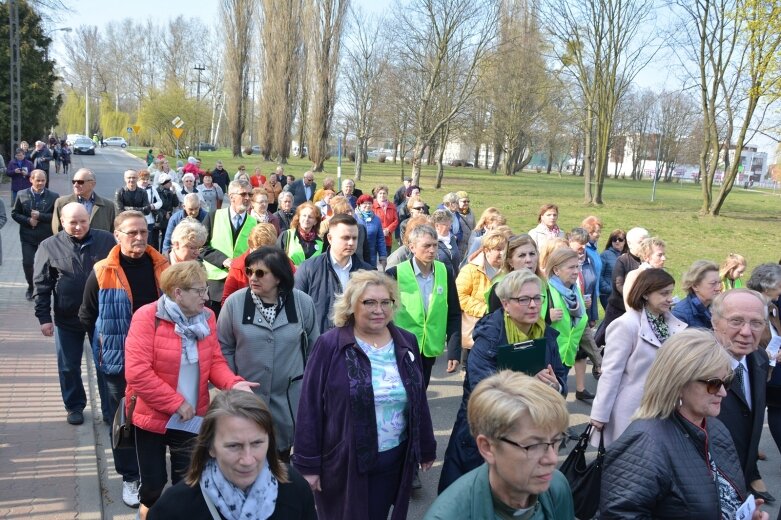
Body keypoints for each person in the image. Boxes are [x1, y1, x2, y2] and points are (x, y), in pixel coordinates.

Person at [293, 270, 436, 519]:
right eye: (369, 302)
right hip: (344, 460)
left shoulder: (406, 342)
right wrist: (308, 465)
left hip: (393, 459)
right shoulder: (330, 345)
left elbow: (417, 399)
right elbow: (310, 407)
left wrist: (425, 445)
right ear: (351, 305)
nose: (378, 309)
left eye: (385, 302)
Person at [124, 261, 258, 516]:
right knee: (153, 486)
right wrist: (176, 403)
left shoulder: (207, 318)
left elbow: (215, 361)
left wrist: (233, 383)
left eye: (206, 289)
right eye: (199, 291)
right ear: (177, 293)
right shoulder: (147, 317)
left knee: (188, 483)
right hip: (153, 418)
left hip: (192, 418)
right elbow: (137, 373)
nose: (206, 296)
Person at [600, 328, 769, 520]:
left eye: (727, 381)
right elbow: (619, 515)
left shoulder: (715, 428)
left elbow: (723, 492)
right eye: (714, 383)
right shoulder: (643, 444)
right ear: (678, 384)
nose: (723, 392)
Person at [438, 271, 568, 492]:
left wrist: (556, 387)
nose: (533, 305)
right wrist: (528, 385)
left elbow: (560, 375)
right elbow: (482, 387)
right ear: (506, 304)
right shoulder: (490, 335)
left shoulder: (546, 335)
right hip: (485, 430)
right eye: (524, 299)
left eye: (537, 298)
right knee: (474, 496)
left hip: (527, 433)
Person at [79, 210, 169, 508]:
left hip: (159, 358)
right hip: (117, 361)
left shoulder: (162, 266)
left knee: (155, 415)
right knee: (124, 420)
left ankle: (153, 473)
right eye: (132, 233)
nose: (140, 238)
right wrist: (105, 344)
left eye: (143, 232)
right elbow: (87, 315)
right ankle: (130, 476)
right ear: (117, 235)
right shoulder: (103, 270)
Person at [147, 390, 317, 520]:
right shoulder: (174, 508)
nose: (248, 460)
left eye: (257, 443)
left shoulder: (293, 487)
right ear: (210, 447)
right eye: (234, 446)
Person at [427, 371, 574, 519]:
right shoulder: (448, 515)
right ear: (487, 447)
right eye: (533, 445)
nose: (552, 459)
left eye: (555, 441)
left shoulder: (556, 486)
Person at [219, 247, 319, 459]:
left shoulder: (302, 303)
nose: (253, 278)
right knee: (246, 458)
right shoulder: (235, 303)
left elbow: (314, 348)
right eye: (249, 272)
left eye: (261, 273)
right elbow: (223, 348)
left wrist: (308, 386)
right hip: (245, 401)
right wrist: (233, 385)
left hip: (288, 403)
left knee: (280, 462)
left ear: (279, 277)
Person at [33, 203, 115, 424]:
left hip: (102, 318)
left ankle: (110, 410)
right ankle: (74, 405)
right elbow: (41, 285)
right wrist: (44, 318)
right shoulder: (49, 246)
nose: (79, 226)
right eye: (73, 222)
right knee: (68, 365)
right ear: (62, 221)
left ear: (89, 219)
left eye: (83, 221)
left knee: (106, 365)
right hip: (67, 318)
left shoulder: (107, 241)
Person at [590, 269, 687, 446]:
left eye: (671, 292)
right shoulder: (626, 325)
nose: (670, 298)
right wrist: (600, 414)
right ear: (645, 294)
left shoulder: (670, 324)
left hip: (663, 410)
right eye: (664, 293)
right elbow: (611, 373)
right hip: (630, 413)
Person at [711, 289, 773, 502]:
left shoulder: (759, 358)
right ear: (714, 322)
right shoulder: (694, 365)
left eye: (756, 323)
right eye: (736, 321)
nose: (747, 332)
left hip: (741, 486)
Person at [386, 225, 462, 386]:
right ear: (412, 247)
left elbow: (454, 313)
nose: (432, 250)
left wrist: (454, 351)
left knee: (421, 393)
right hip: (402, 347)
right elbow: (384, 315)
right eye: (426, 246)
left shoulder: (445, 271)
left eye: (435, 245)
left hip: (429, 347)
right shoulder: (395, 274)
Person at [294, 214, 374, 332]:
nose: (351, 243)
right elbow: (295, 308)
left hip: (356, 342)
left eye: (355, 238)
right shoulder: (309, 268)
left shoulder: (368, 272)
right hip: (319, 342)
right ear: (330, 238)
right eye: (345, 238)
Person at [201, 181, 258, 315]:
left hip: (243, 282)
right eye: (243, 194)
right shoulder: (214, 216)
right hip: (215, 283)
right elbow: (200, 247)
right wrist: (223, 260)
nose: (248, 198)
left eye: (250, 194)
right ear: (231, 197)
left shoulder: (255, 223)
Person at [544, 247, 589, 400]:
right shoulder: (546, 289)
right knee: (547, 399)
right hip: (547, 358)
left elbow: (581, 326)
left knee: (558, 397)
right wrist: (546, 317)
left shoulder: (575, 292)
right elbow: (528, 322)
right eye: (571, 267)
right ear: (556, 270)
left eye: (577, 266)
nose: (576, 271)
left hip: (567, 356)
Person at [457, 230, 507, 367]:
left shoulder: (508, 271)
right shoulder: (470, 270)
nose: (502, 253)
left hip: (500, 331)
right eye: (498, 249)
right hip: (475, 332)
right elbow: (460, 296)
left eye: (504, 249)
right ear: (486, 250)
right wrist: (486, 309)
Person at [746, 264, 781, 460]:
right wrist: (766, 355)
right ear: (768, 286)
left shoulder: (772, 307)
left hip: (769, 369)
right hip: (755, 369)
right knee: (755, 413)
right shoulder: (751, 307)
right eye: (779, 286)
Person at [12, 170, 58, 300]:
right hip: (27, 236)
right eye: (38, 180)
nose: (41, 183)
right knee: (28, 263)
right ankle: (31, 286)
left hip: (46, 236)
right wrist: (28, 220)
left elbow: (56, 216)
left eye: (43, 180)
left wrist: (40, 216)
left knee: (47, 265)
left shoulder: (54, 196)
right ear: (31, 180)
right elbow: (15, 213)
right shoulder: (22, 194)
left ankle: (45, 287)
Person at [598, 226, 649, 342]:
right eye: (641, 242)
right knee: (603, 337)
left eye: (647, 242)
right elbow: (619, 284)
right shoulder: (623, 260)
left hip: (637, 308)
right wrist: (634, 296)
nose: (645, 245)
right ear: (630, 244)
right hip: (618, 307)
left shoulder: (646, 261)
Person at [221, 223, 282, 304]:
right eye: (257, 251)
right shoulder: (238, 267)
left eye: (265, 252)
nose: (260, 256)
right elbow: (226, 302)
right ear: (251, 246)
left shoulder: (282, 263)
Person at [487, 233, 546, 314]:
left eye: (532, 254)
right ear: (510, 262)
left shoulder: (543, 284)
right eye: (522, 255)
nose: (528, 260)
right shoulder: (499, 288)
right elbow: (495, 323)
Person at [53, 168, 117, 233]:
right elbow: (57, 230)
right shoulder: (62, 203)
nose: (75, 185)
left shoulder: (108, 206)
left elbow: (112, 232)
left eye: (80, 182)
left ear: (92, 184)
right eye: (74, 182)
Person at [672, 260, 721, 329]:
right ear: (695, 286)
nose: (718, 288)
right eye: (713, 283)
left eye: (719, 283)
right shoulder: (680, 314)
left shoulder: (719, 308)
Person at [620, 236, 667, 308]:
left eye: (664, 255)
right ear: (646, 257)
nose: (664, 258)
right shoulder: (635, 276)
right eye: (659, 255)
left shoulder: (664, 276)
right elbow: (630, 307)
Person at [276, 202, 323, 266]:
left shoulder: (320, 243)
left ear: (315, 222)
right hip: (289, 275)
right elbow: (276, 259)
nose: (306, 219)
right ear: (299, 218)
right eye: (304, 215)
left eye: (310, 217)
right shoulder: (287, 235)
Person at [354, 194, 387, 268]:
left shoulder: (376, 219)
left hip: (372, 256)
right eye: (364, 203)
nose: (368, 205)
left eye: (369, 203)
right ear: (359, 205)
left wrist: (383, 256)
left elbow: (380, 239)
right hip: (357, 256)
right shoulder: (354, 218)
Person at [599, 229, 627, 309]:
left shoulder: (627, 256)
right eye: (614, 239)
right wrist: (609, 289)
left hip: (622, 295)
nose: (617, 241)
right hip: (608, 295)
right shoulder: (605, 255)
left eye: (620, 239)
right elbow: (600, 275)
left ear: (625, 241)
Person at [138, 169, 163, 250]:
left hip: (149, 219)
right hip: (138, 218)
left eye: (147, 179)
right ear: (139, 179)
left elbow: (160, 202)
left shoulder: (152, 188)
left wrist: (153, 206)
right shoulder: (136, 188)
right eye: (143, 179)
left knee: (148, 241)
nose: (145, 181)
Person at [431, 209, 461, 277]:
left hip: (454, 281)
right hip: (439, 280)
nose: (449, 227)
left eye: (450, 224)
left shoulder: (452, 238)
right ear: (437, 226)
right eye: (446, 225)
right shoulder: (432, 241)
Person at [372, 185, 399, 253]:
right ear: (376, 194)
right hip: (375, 237)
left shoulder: (392, 206)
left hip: (387, 238)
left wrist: (388, 230)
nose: (382, 195)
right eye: (380, 193)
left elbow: (396, 220)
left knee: (386, 259)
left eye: (384, 193)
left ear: (387, 194)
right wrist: (381, 231)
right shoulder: (372, 206)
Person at [455, 191, 475, 259]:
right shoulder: (453, 214)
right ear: (457, 202)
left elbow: (474, 228)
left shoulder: (471, 213)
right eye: (464, 201)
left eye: (468, 201)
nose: (466, 203)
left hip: (468, 246)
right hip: (457, 246)